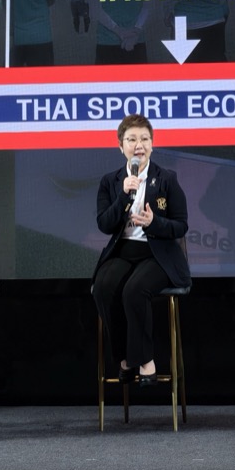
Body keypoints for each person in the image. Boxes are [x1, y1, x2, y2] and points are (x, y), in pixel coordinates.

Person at [93, 114, 190, 385]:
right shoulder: (110, 181)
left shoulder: (167, 179)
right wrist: (123, 196)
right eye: (132, 139)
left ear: (152, 144)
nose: (139, 145)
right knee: (103, 287)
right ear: (120, 146)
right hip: (123, 251)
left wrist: (153, 222)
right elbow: (104, 224)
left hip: (157, 254)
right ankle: (124, 358)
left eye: (145, 139)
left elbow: (181, 225)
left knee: (134, 290)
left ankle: (146, 359)